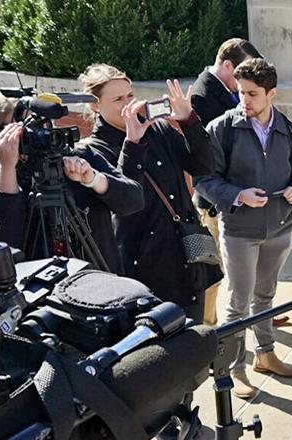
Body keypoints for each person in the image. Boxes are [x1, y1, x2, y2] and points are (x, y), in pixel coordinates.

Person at [195, 58, 292, 398]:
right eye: (239, 92)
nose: (243, 100)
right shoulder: (221, 129)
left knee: (265, 298)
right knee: (237, 302)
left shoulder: (290, 131)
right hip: (239, 231)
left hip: (280, 229)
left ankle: (265, 355)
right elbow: (204, 180)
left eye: (251, 94)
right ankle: (234, 369)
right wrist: (238, 195)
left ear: (271, 93)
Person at [77, 64, 221, 322]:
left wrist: (188, 121)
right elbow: (127, 200)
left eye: (130, 95)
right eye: (118, 99)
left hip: (187, 259)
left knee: (195, 343)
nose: (128, 104)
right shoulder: (93, 151)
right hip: (144, 268)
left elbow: (204, 166)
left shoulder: (158, 130)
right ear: (95, 106)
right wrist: (132, 144)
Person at [0, 90, 144, 273]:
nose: (35, 134)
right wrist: (7, 169)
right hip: (41, 293)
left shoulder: (79, 156)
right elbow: (5, 246)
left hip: (102, 284)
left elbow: (134, 201)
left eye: (40, 125)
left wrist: (93, 179)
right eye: (21, 128)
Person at [190, 38, 291, 327]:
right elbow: (209, 159)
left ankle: (261, 316)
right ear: (226, 65)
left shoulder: (230, 90)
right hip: (221, 203)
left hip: (250, 198)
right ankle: (210, 334)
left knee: (254, 268)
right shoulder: (202, 97)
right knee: (217, 275)